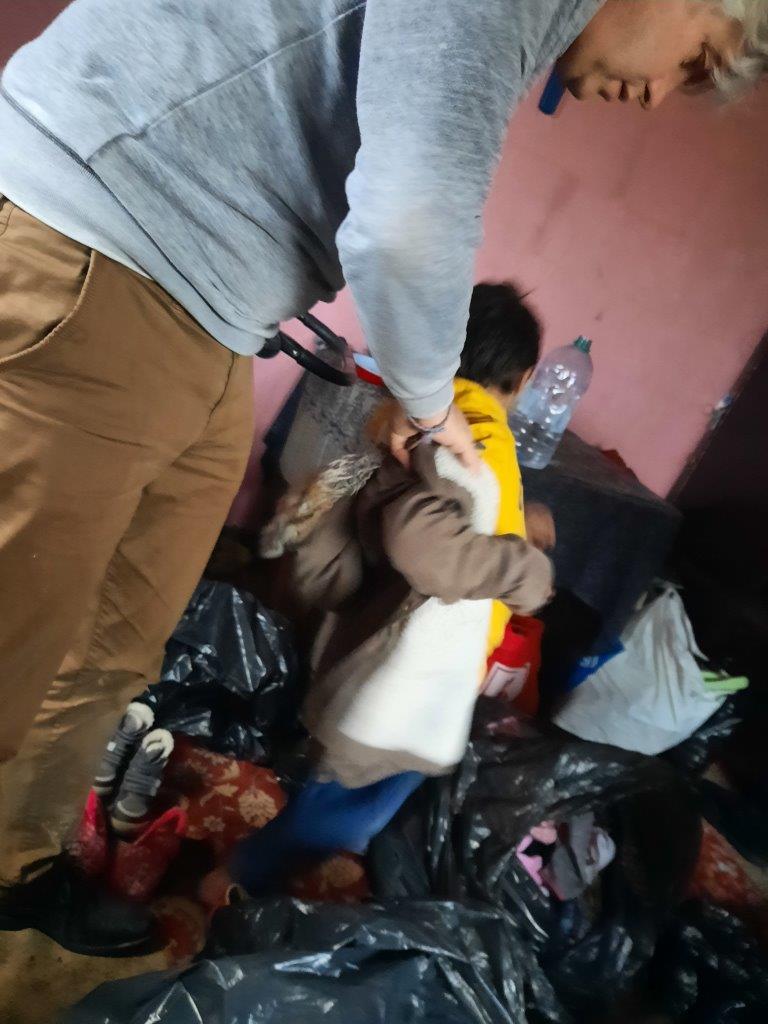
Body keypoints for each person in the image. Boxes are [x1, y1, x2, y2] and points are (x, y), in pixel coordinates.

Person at [0, 0, 765, 955]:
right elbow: (407, 219)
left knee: (118, 635)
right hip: (101, 247)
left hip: (211, 313)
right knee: (18, 625)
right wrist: (435, 407)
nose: (656, 97)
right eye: (696, 60)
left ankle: (18, 863)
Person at [217, 281, 553, 897]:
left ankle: (260, 870)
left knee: (348, 789)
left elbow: (449, 517)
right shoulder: (475, 442)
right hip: (405, 685)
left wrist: (517, 528)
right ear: (526, 377)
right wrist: (525, 571)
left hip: (376, 653)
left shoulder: (423, 417)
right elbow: (421, 539)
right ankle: (234, 885)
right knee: (348, 813)